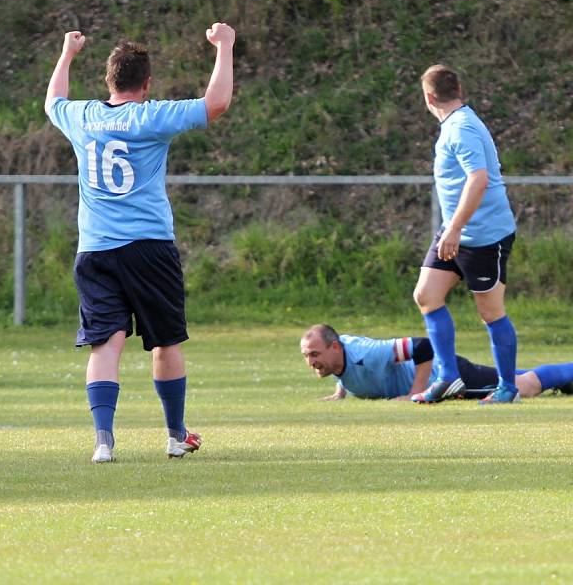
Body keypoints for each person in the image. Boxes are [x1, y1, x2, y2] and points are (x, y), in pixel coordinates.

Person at [45, 23, 235, 463]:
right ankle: (174, 435)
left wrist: (67, 54)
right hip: (148, 246)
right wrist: (224, 47)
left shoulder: (84, 117)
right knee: (166, 341)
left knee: (105, 345)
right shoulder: (150, 117)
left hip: (94, 251)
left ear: (108, 80)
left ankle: (103, 441)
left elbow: (53, 100)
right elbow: (217, 103)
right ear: (146, 84)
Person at [413, 65, 519, 404]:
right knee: (427, 295)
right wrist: (453, 229)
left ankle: (508, 388)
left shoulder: (461, 129)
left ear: (429, 97)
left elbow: (479, 179)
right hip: (454, 233)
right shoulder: (456, 124)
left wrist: (456, 228)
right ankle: (448, 377)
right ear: (459, 89)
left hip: (483, 237)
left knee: (491, 312)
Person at [300, 324, 573, 401]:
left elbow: (423, 346)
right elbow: (343, 366)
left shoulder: (366, 352)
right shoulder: (337, 356)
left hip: (446, 377)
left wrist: (414, 393)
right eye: (306, 356)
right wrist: (340, 390)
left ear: (334, 347)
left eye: (314, 355)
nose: (311, 362)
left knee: (526, 385)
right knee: (510, 375)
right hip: (445, 372)